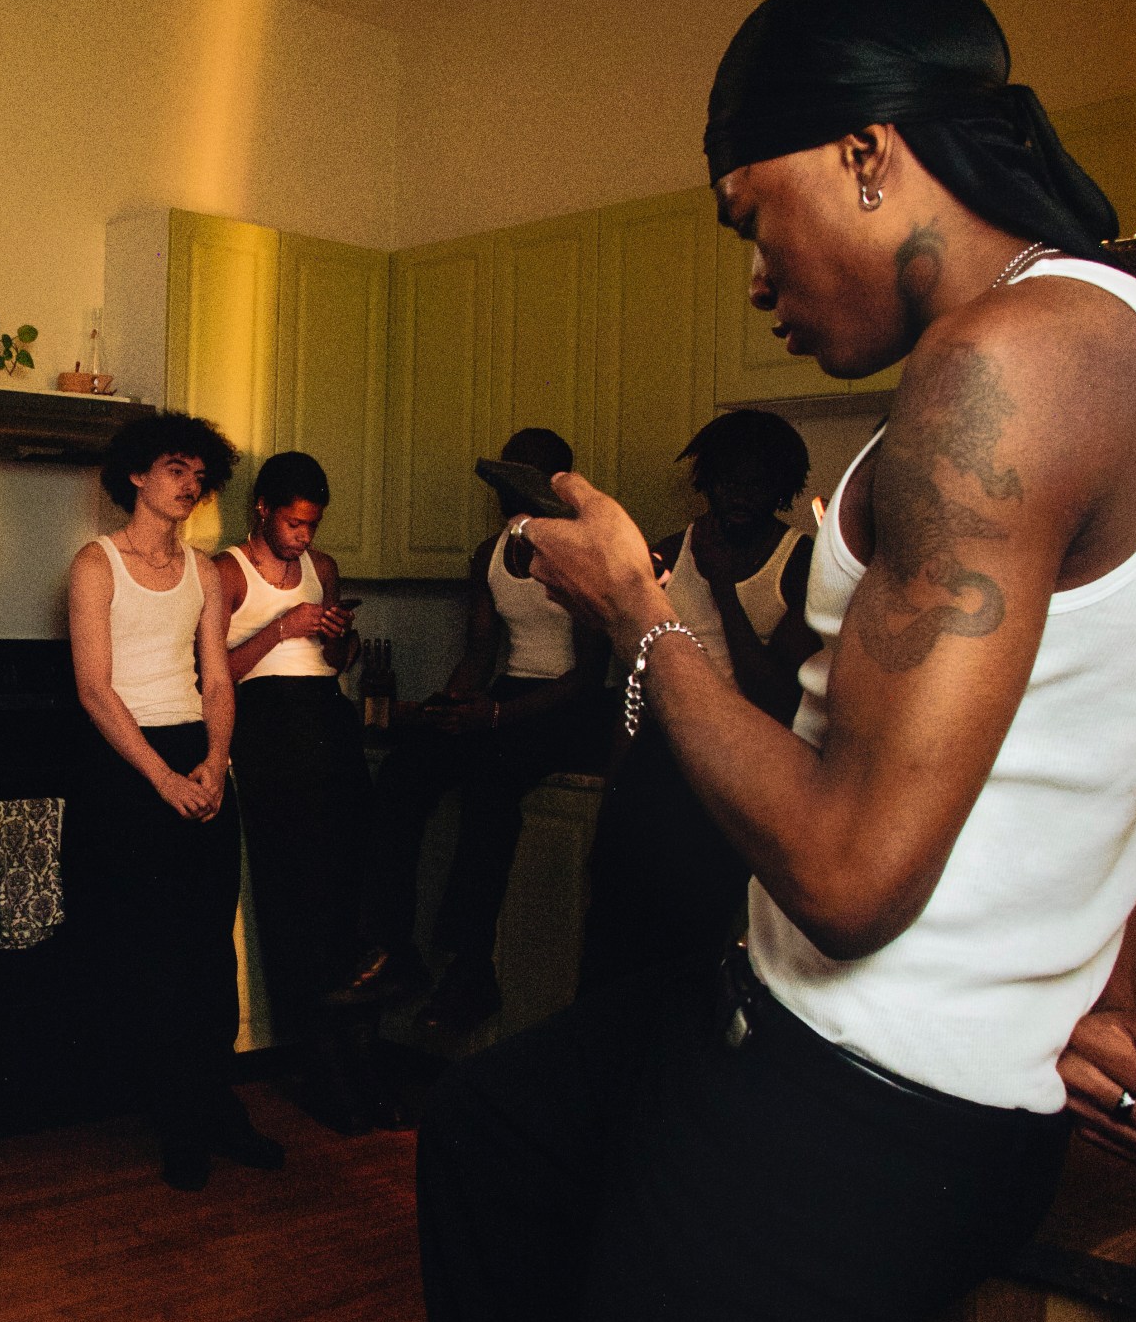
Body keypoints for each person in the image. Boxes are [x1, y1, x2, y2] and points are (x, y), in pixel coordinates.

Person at [417, 0, 1136, 1322]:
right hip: (822, 1031)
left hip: (857, 1098)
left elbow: (847, 877)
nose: (755, 274)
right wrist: (1108, 991)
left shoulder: (1005, 367)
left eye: (746, 215)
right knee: (488, 1133)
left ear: (865, 150)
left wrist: (635, 610)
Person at [65, 411, 284, 1191]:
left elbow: (217, 677)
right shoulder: (95, 565)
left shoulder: (203, 570)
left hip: (199, 754)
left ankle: (215, 1107)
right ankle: (178, 1122)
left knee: (205, 950)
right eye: (174, 469)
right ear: (135, 474)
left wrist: (216, 762)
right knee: (155, 954)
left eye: (198, 474)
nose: (189, 485)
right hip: (129, 766)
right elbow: (94, 689)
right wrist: (162, 778)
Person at [356, 427, 611, 1038]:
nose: (507, 487)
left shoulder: (581, 552)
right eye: (505, 474)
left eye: (525, 475)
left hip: (571, 707)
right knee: (405, 769)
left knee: (491, 780)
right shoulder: (489, 553)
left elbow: (586, 676)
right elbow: (479, 650)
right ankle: (397, 952)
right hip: (508, 693)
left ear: (555, 485)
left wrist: (493, 718)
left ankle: (470, 968)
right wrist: (452, 704)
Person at [576, 409, 819, 995]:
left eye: (755, 482)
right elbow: (637, 673)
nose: (738, 495)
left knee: (688, 946)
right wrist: (616, 785)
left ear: (779, 488)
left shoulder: (799, 562)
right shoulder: (665, 552)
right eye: (726, 480)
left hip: (739, 763)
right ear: (706, 481)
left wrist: (721, 588)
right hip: (657, 760)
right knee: (611, 935)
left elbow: (774, 695)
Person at [214, 452, 378, 1130]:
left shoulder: (323, 569)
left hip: (326, 722)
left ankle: (358, 1066)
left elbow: (335, 664)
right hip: (267, 730)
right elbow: (210, 672)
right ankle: (322, 1072)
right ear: (261, 508)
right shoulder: (227, 572)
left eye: (311, 525)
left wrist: (339, 637)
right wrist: (282, 627)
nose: (302, 537)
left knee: (350, 892)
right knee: (297, 896)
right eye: (292, 522)